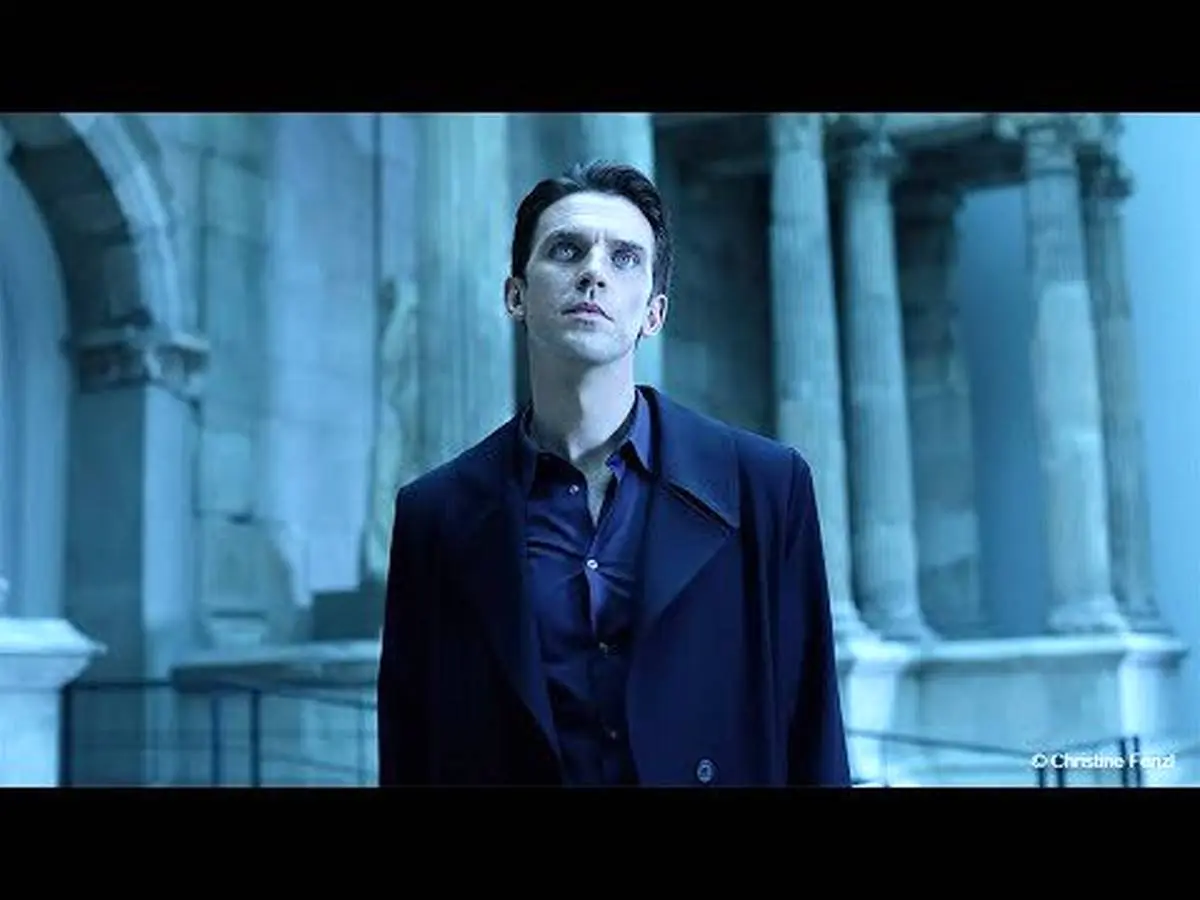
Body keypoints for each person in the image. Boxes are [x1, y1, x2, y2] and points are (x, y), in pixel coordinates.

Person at [376, 159, 851, 786]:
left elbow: (812, 730)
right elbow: (411, 749)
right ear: (516, 295)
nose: (593, 272)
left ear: (654, 313)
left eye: (624, 258)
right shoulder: (434, 513)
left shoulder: (766, 486)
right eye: (566, 250)